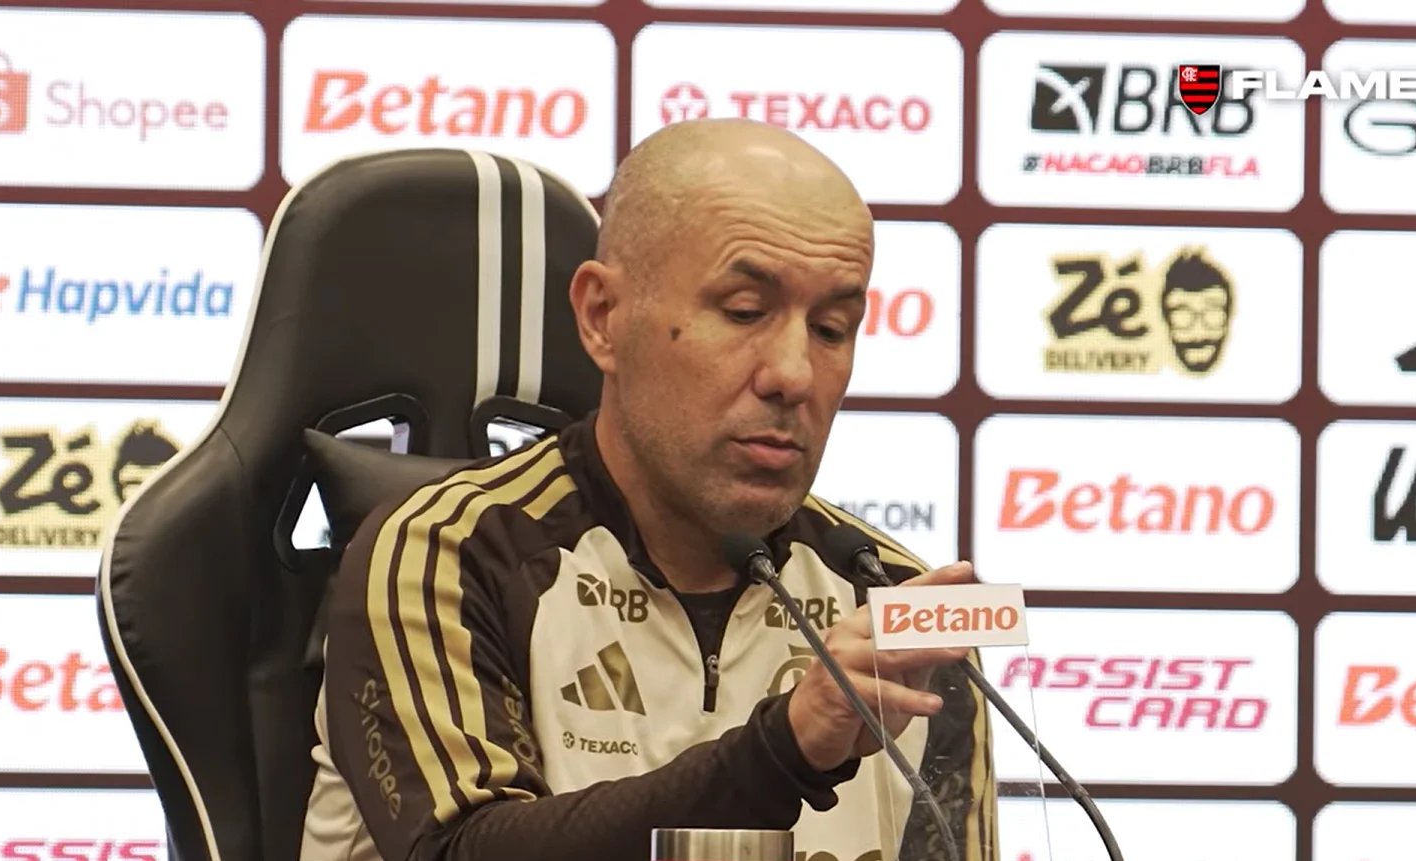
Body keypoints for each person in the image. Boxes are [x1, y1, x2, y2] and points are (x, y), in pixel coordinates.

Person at [300, 118, 998, 861]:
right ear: (603, 318)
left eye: (831, 328)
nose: (794, 373)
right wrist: (785, 747)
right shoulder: (444, 554)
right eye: (744, 311)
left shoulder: (898, 605)